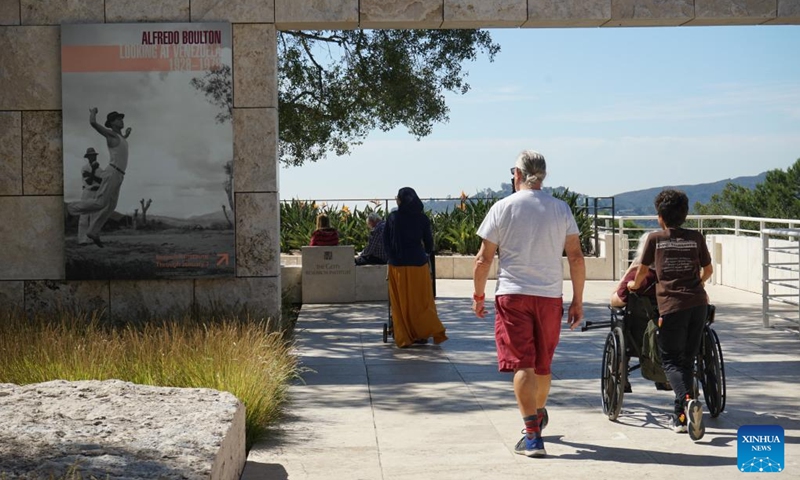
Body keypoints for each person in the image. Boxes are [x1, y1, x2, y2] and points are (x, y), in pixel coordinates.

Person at [472, 150, 585, 458]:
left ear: (518, 175)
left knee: (523, 364)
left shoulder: (502, 208)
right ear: (543, 175)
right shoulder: (561, 209)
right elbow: (575, 257)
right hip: (550, 296)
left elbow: (483, 259)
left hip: (512, 295)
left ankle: (532, 436)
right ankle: (538, 412)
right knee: (543, 364)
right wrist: (578, 300)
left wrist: (479, 295)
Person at [627, 189, 713, 441]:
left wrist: (633, 287)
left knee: (671, 362)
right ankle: (681, 416)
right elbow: (708, 270)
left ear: (660, 217)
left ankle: (687, 401)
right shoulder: (696, 238)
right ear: (685, 215)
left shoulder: (655, 239)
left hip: (672, 307)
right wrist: (697, 283)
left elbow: (641, 273)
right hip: (698, 305)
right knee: (687, 359)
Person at [384, 187, 447, 348]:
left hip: (397, 266)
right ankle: (422, 332)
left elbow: (386, 241)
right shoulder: (422, 219)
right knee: (421, 301)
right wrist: (424, 253)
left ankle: (404, 335)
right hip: (418, 265)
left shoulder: (393, 217)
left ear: (400, 200)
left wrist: (391, 257)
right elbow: (429, 244)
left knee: (400, 303)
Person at [66, 109, 131, 248]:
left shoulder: (120, 138)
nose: (121, 120)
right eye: (118, 119)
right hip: (112, 172)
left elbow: (122, 144)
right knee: (101, 203)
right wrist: (93, 113)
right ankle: (70, 208)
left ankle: (93, 232)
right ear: (112, 123)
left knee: (111, 206)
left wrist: (126, 135)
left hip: (119, 175)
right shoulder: (111, 135)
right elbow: (93, 123)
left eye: (121, 118)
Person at [610, 231, 658, 308]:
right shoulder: (671, 276)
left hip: (639, 318)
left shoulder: (635, 276)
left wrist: (628, 272)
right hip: (667, 318)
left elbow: (615, 302)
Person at [77, 147, 103, 245]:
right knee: (84, 217)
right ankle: (82, 239)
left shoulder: (100, 169)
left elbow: (102, 181)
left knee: (95, 217)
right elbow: (88, 181)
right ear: (88, 157)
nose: (94, 157)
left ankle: (93, 238)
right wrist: (93, 170)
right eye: (91, 156)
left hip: (97, 193)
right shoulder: (85, 168)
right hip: (87, 192)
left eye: (95, 155)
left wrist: (92, 174)